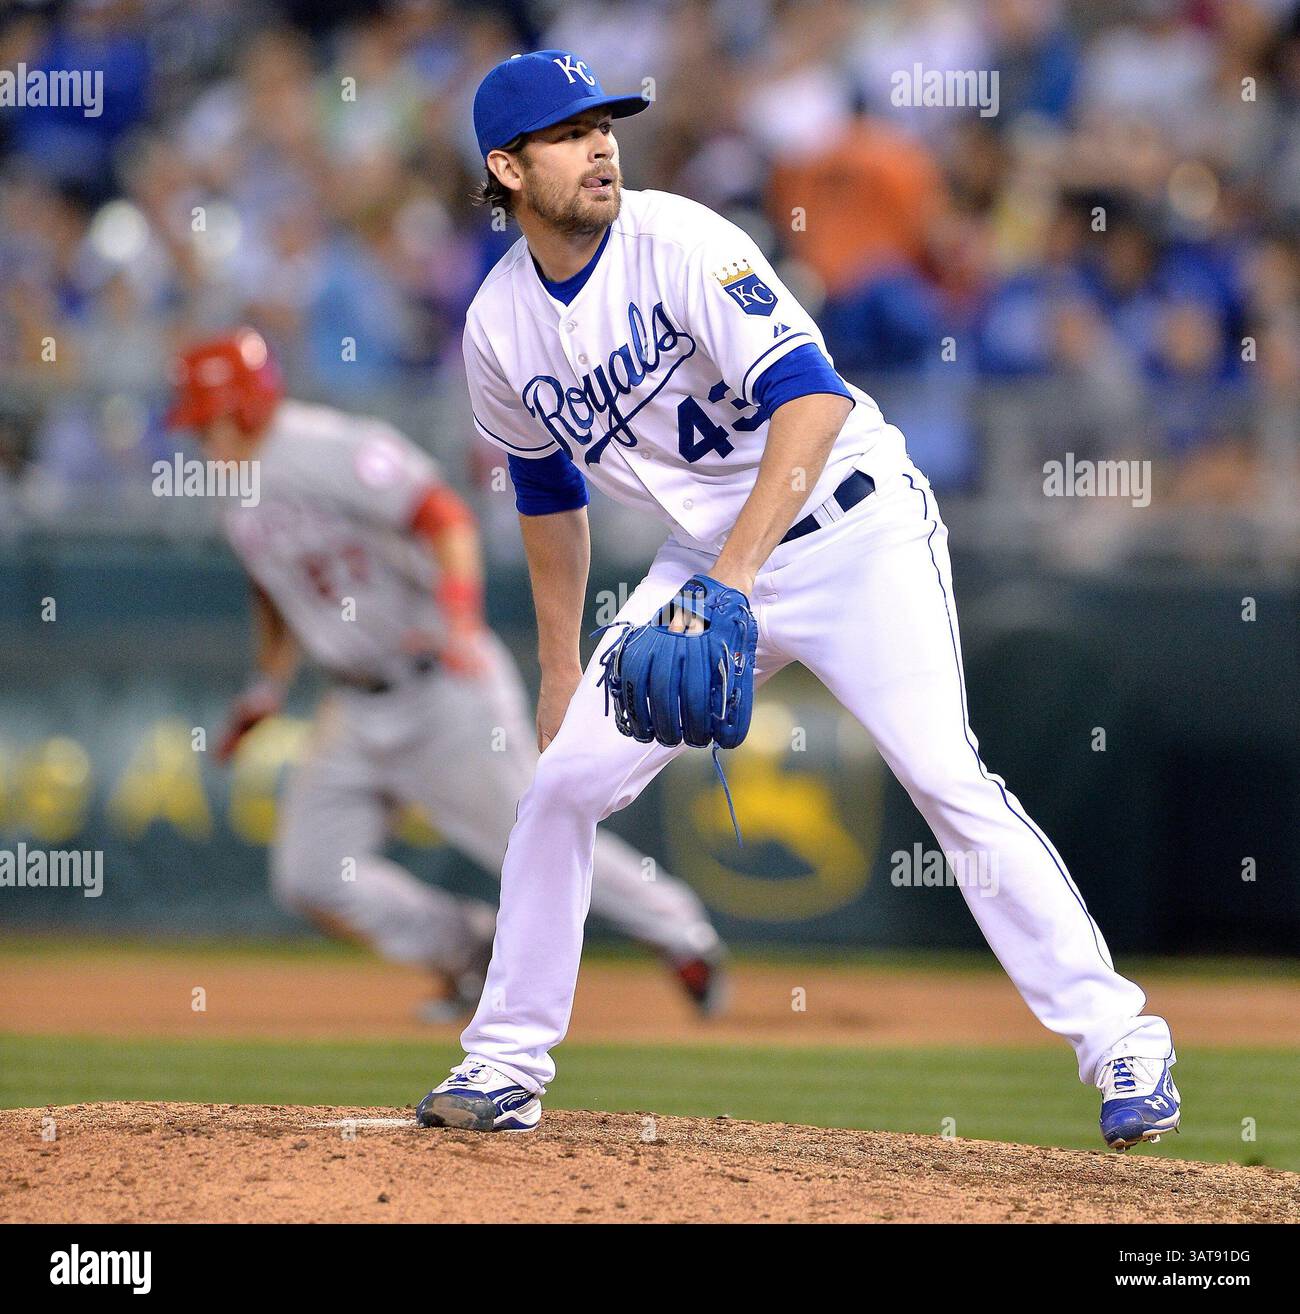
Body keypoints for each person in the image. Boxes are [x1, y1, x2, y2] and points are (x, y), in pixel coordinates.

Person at [414, 51, 1179, 1150]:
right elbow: (545, 491)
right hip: (709, 557)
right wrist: (553, 665)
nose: (600, 147)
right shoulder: (497, 327)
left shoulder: (681, 242)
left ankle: (1123, 1044)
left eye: (605, 125)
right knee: (561, 787)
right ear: (506, 165)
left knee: (943, 777)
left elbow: (810, 400)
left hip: (852, 522)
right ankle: (502, 1064)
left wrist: (731, 579)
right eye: (569, 133)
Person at [166, 327, 728, 1020]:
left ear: (242, 407)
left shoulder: (325, 446)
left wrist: (460, 619)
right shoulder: (236, 488)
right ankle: (466, 949)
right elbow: (274, 587)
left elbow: (444, 516)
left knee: (531, 837)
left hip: (440, 681)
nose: (197, 439)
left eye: (205, 420)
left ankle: (680, 930)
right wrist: (266, 687)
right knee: (311, 873)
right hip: (355, 704)